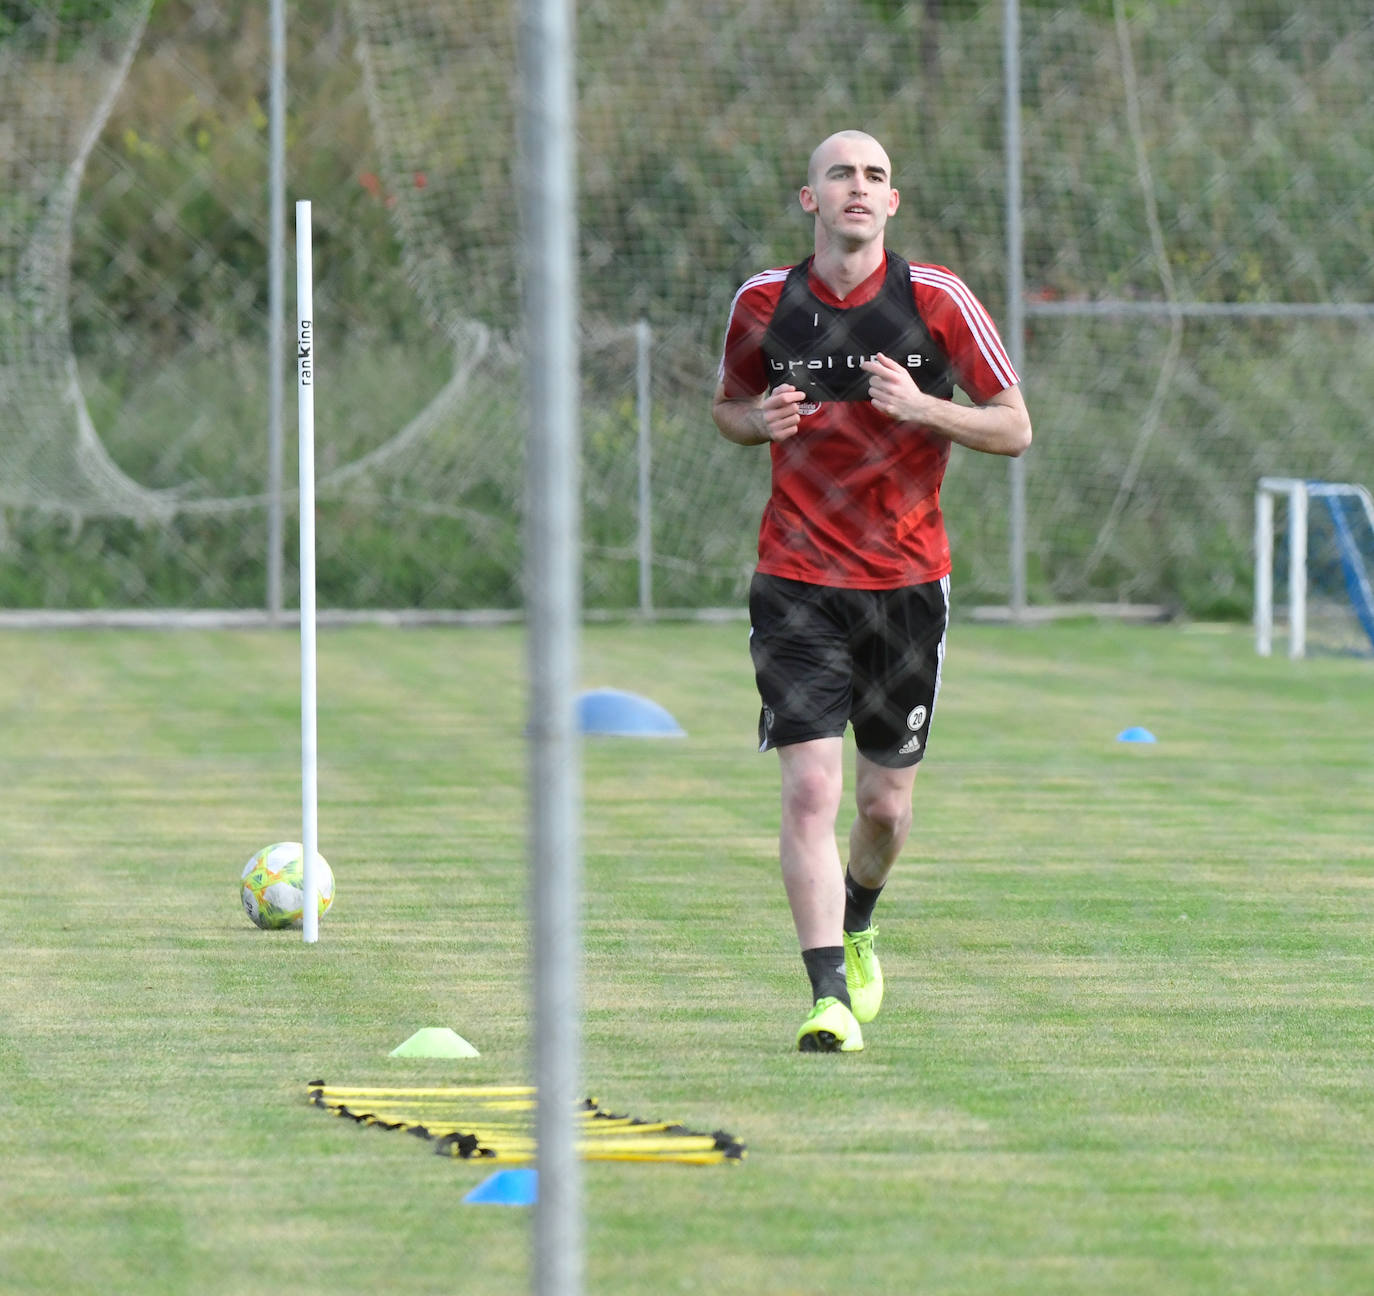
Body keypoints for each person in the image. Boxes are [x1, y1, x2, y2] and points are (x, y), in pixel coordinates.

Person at [711, 130, 1032, 1053]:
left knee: (884, 807)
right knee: (810, 790)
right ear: (809, 198)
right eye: (841, 174)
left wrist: (922, 406)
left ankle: (858, 918)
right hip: (796, 579)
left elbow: (1014, 428)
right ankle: (827, 1000)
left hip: (905, 584)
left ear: (893, 202)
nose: (859, 186)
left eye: (875, 176)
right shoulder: (764, 302)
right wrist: (759, 418)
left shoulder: (937, 299)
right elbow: (726, 410)